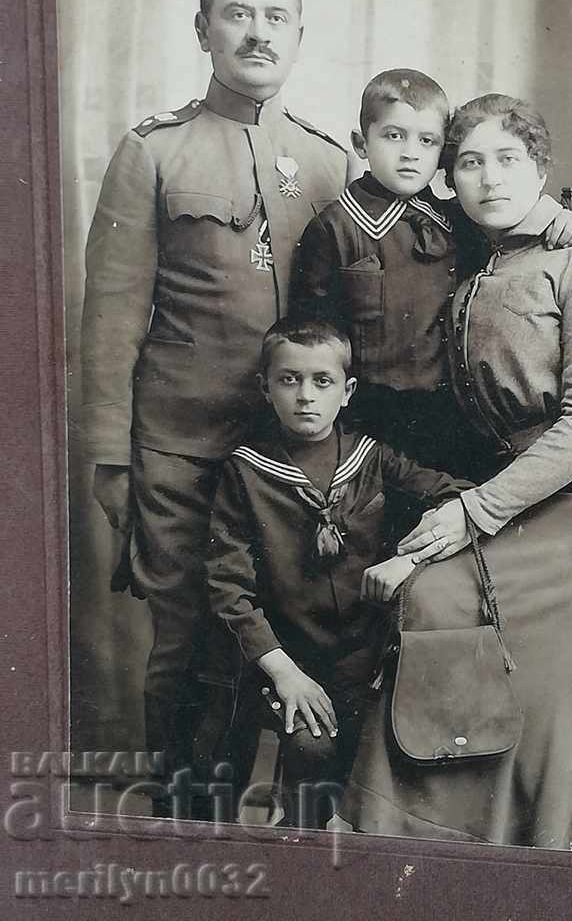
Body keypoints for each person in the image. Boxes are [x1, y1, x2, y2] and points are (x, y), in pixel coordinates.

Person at [341, 95, 572, 854]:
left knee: (446, 603)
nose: (491, 178)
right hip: (523, 487)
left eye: (510, 160)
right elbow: (381, 198)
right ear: (447, 177)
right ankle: (433, 843)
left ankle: (535, 843)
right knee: (433, 610)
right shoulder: (476, 251)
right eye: (470, 162)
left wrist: (469, 514)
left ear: (541, 168)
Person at [80, 0, 348, 812]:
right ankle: (189, 834)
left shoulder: (327, 162)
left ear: (300, 34)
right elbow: (111, 324)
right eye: (238, 14)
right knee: (187, 645)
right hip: (182, 453)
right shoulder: (154, 153)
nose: (258, 33)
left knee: (276, 643)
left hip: (288, 460)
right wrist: (112, 462)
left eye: (276, 17)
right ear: (203, 29)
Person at [200, 316, 472, 827]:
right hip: (293, 660)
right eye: (289, 379)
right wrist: (285, 674)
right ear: (265, 387)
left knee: (398, 759)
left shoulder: (374, 459)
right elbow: (228, 587)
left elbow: (456, 500)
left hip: (371, 656)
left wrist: (409, 558)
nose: (306, 395)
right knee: (314, 751)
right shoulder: (244, 472)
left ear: (346, 392)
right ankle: (298, 849)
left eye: (321, 381)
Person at [293, 69, 572, 473]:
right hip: (367, 418)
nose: (411, 153)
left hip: (456, 417)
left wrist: (555, 214)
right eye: (394, 136)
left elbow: (512, 220)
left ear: (441, 156)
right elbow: (313, 337)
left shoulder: (458, 221)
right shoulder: (334, 228)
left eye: (427, 140)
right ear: (361, 144)